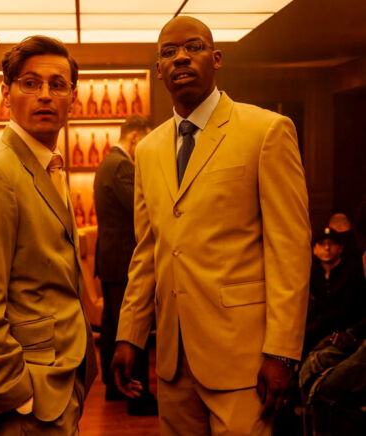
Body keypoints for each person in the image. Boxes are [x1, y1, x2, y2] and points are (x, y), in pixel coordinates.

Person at [112, 16, 311, 436]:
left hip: (244, 360)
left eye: (194, 47)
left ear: (216, 59)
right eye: (169, 52)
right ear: (159, 69)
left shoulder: (265, 131)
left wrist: (282, 351)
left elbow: (289, 249)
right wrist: (129, 334)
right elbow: (148, 250)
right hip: (173, 361)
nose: (181, 57)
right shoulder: (148, 150)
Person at [0, 36, 97, 436]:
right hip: (28, 403)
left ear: (73, 99)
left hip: (61, 382)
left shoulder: (47, 164)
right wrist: (16, 394)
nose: (45, 94)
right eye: (30, 83)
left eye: (57, 85)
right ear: (5, 94)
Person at [94, 115, 157, 415]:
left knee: (112, 327)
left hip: (111, 258)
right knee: (132, 329)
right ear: (134, 138)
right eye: (145, 140)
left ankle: (114, 388)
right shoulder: (121, 165)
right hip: (122, 260)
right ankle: (138, 397)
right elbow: (141, 209)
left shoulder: (108, 162)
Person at [304, 227, 365, 355]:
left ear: (340, 248)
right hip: (317, 331)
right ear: (314, 249)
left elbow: (349, 309)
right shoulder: (311, 273)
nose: (327, 248)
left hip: (345, 332)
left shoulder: (352, 272)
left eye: (331, 243)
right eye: (322, 244)